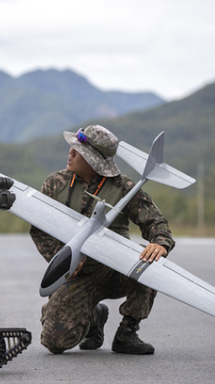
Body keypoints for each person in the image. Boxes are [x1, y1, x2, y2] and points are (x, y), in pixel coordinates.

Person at [30, 124, 174, 355]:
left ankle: (128, 332)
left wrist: (160, 243)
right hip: (80, 275)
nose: (70, 154)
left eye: (77, 152)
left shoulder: (124, 187)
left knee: (148, 260)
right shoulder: (55, 183)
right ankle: (95, 317)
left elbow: (156, 222)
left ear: (92, 160)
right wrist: (64, 261)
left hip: (116, 270)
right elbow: (39, 229)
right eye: (72, 149)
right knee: (54, 342)